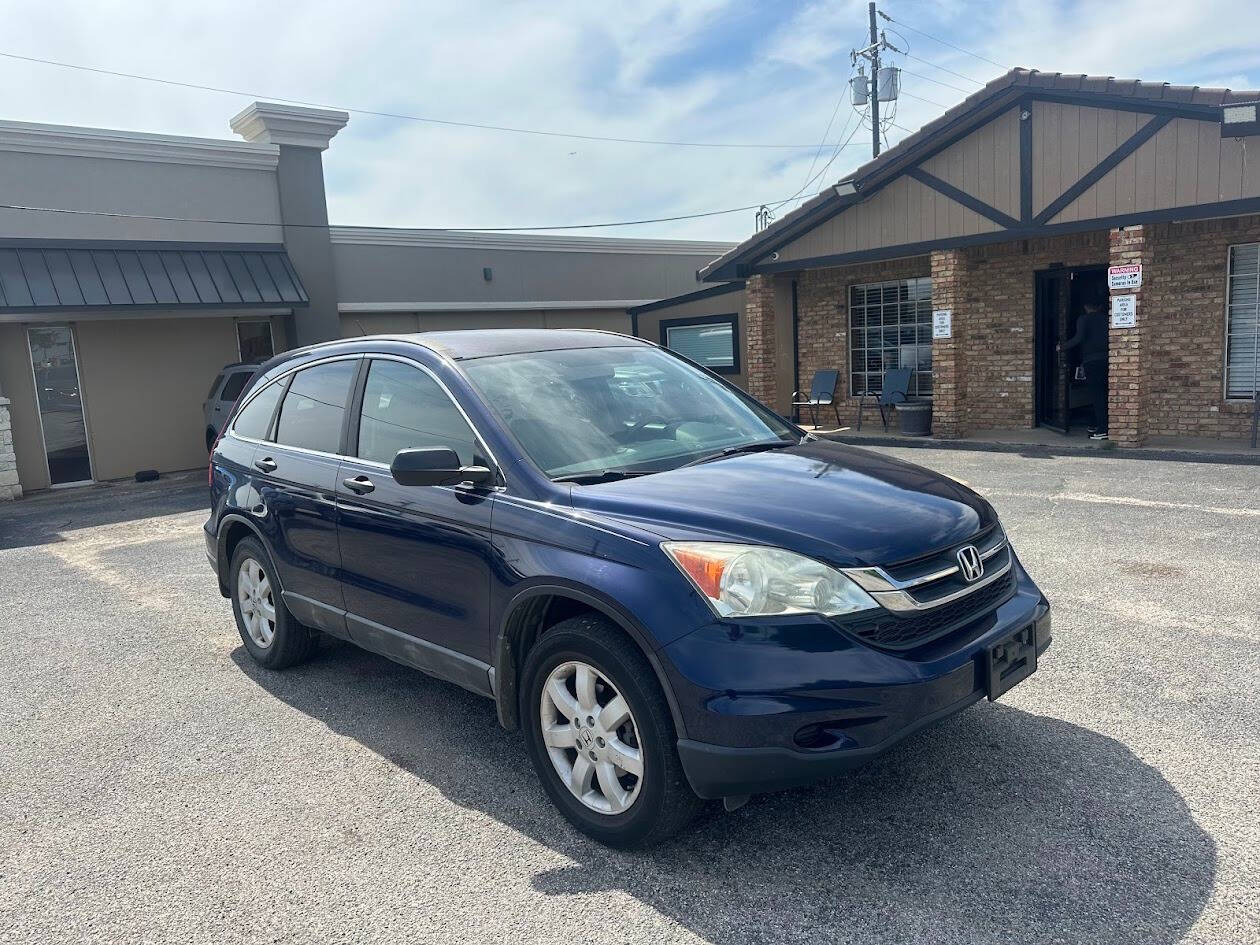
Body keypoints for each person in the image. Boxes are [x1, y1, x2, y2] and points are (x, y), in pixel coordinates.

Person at [1060, 299, 1109, 439]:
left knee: (1096, 396)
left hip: (1092, 361)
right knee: (1104, 395)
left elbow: (1078, 338)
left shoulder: (1084, 319)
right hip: (1107, 360)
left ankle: (1103, 429)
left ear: (1085, 306)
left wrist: (1061, 347)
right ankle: (1096, 424)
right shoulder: (1107, 319)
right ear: (1099, 307)